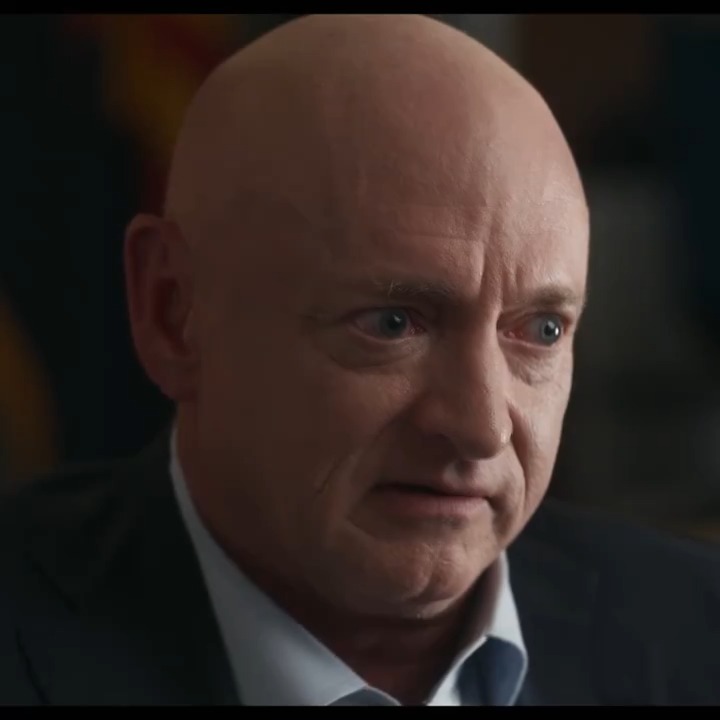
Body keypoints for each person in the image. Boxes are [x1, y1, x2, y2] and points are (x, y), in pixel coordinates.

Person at [1, 14, 718, 706]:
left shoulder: (698, 634)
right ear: (173, 313)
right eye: (393, 324)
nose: (482, 428)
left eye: (542, 331)